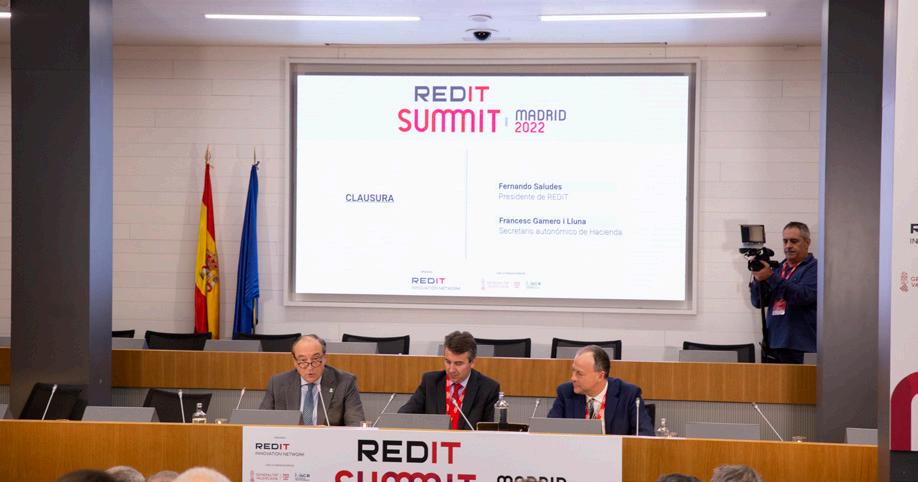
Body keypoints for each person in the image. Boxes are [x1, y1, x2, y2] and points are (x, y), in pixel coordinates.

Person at [398, 331, 500, 430]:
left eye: (458, 363)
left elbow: (490, 431)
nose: (451, 369)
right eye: (448, 362)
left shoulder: (488, 389)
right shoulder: (431, 382)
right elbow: (403, 416)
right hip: (435, 440)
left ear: (472, 362)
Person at [259, 334, 365, 426]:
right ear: (295, 361)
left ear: (324, 358)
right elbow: (261, 423)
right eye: (303, 360)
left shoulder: (345, 382)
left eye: (315, 359)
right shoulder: (278, 383)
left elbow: (356, 424)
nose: (310, 367)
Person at [749, 221, 817, 364]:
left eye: (794, 241)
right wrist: (758, 278)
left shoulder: (815, 268)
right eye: (785, 241)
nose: (788, 246)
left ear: (807, 242)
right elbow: (758, 302)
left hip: (799, 345)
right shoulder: (778, 269)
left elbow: (803, 296)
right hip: (772, 344)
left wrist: (770, 277)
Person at [547, 345, 654, 435]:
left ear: (600, 376)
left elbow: (645, 434)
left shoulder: (628, 395)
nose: (573, 378)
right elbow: (548, 432)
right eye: (573, 371)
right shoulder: (566, 393)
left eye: (579, 373)